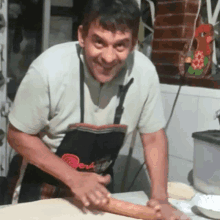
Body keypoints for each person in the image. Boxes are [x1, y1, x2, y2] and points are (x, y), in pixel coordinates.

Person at [7, 0, 189, 219]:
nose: (109, 57)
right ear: (82, 36)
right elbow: (17, 134)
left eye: (120, 45)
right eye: (99, 42)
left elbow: (152, 137)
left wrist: (160, 197)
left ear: (133, 44)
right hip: (40, 183)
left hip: (97, 188)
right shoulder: (49, 69)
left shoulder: (144, 73)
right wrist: (74, 178)